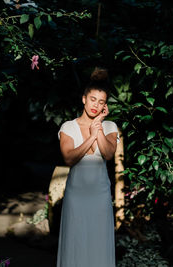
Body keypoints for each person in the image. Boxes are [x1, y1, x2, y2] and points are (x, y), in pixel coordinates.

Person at [56, 67, 119, 267]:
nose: (96, 105)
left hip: (100, 198)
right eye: (93, 99)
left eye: (101, 102)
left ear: (105, 106)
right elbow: (69, 158)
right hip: (76, 197)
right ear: (84, 99)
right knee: (75, 246)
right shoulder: (68, 127)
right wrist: (90, 135)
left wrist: (98, 126)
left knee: (98, 248)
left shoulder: (110, 127)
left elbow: (108, 154)